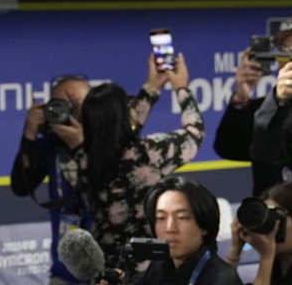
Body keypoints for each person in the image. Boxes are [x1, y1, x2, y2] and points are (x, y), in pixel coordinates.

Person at [10, 60, 164, 284]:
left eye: (78, 104)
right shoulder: (50, 145)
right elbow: (21, 187)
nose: (72, 112)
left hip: (115, 267)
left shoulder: (116, 143)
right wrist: (30, 135)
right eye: (61, 105)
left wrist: (82, 146)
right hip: (67, 270)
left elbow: (137, 113)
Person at [63, 62, 204, 256]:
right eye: (129, 104)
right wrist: (181, 88)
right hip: (149, 269)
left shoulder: (81, 160)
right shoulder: (149, 152)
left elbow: (116, 129)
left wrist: (151, 88)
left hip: (106, 267)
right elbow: (195, 132)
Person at [118, 176, 245, 285]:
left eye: (182, 217)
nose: (170, 228)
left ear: (204, 225)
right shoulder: (160, 267)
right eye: (161, 218)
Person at [214, 19, 292, 196]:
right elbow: (228, 147)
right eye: (285, 50)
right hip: (271, 217)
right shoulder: (266, 108)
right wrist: (241, 97)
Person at [227, 182, 292, 285]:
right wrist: (235, 251)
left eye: (277, 217)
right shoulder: (274, 271)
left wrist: (266, 256)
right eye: (266, 216)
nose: (272, 226)